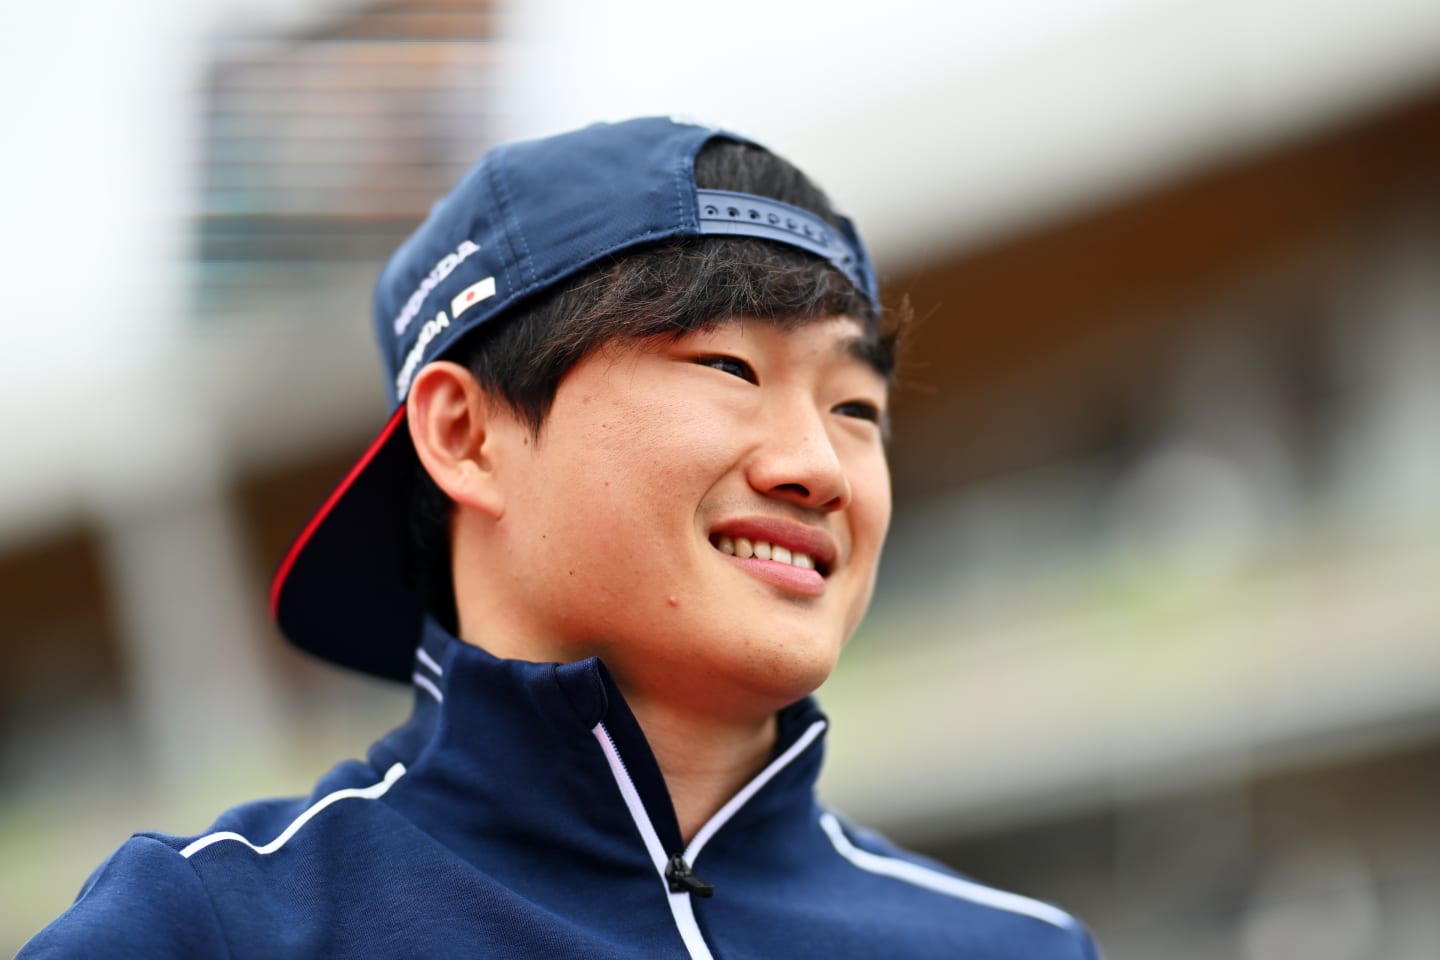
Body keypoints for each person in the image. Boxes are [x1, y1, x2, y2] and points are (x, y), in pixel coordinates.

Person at [19, 117, 1100, 959]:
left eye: (855, 409)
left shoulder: (1017, 948)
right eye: (730, 368)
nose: (817, 465)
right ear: (467, 433)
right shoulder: (217, 929)